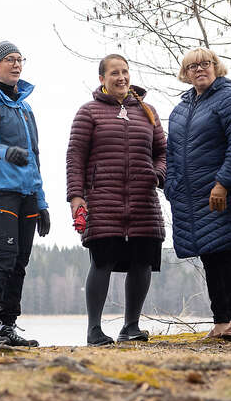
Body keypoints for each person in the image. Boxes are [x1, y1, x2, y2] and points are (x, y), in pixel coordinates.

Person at [65, 55, 167, 345]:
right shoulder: (89, 112)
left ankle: (130, 327)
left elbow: (163, 151)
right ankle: (94, 330)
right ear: (102, 79)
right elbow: (75, 156)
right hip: (102, 199)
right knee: (102, 261)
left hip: (143, 200)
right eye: (114, 73)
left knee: (142, 261)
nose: (121, 77)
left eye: (125, 72)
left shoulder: (148, 112)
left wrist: (158, 174)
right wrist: (76, 196)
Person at [165, 47, 231, 340]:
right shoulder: (182, 108)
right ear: (185, 73)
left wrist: (223, 184)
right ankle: (220, 321)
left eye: (205, 64)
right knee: (210, 256)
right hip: (193, 197)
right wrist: (171, 186)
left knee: (224, 253)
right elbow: (171, 153)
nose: (199, 70)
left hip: (221, 193)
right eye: (193, 66)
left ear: (216, 67)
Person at [0, 41, 51, 346]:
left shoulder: (26, 108)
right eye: (9, 60)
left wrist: (42, 203)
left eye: (20, 60)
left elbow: (36, 157)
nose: (17, 65)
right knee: (4, 257)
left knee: (20, 262)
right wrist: (5, 153)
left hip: (27, 193)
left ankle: (7, 327)